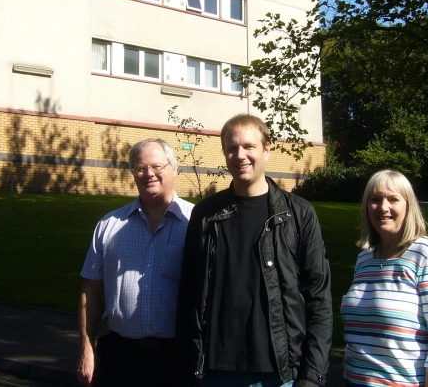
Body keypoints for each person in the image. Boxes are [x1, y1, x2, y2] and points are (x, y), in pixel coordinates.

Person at [176, 114, 333, 387]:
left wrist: (312, 374)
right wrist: (186, 366)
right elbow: (188, 293)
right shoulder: (206, 215)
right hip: (216, 371)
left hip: (280, 373)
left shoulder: (298, 214)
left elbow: (318, 296)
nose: (240, 155)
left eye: (249, 146)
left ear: (267, 149)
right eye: (231, 148)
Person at [77, 138, 194, 387]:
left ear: (174, 169)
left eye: (157, 166)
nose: (148, 174)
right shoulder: (109, 226)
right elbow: (91, 291)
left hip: (178, 358)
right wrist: (87, 349)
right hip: (120, 358)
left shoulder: (196, 224)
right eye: (140, 168)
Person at [341, 170, 428, 387]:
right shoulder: (364, 259)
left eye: (393, 199)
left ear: (408, 206)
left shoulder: (427, 255)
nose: (383, 207)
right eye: (375, 200)